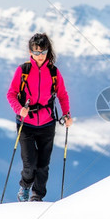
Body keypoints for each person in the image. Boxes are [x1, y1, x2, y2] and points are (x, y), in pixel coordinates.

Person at [7, 33, 73, 202]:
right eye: (36, 52)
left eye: (43, 52)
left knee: (43, 165)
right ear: (30, 52)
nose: (40, 56)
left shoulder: (53, 72)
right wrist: (19, 109)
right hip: (26, 123)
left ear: (47, 51)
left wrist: (67, 115)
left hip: (47, 123)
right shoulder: (23, 70)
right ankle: (25, 187)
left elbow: (62, 95)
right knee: (30, 164)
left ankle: (37, 197)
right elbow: (11, 94)